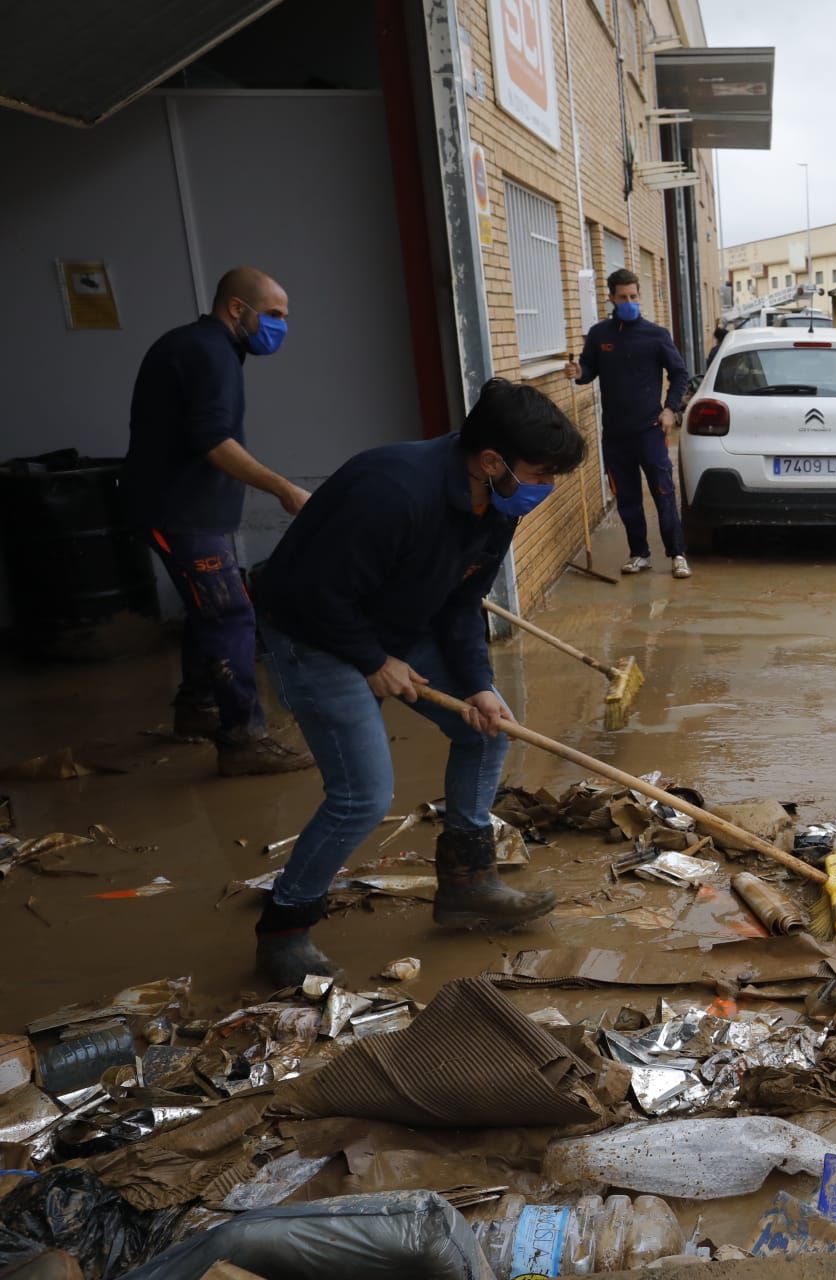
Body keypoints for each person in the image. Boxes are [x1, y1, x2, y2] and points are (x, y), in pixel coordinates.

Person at [248, 378, 586, 985]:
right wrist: (374, 660)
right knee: (362, 796)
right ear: (491, 460)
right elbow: (308, 592)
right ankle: (284, 928)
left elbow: (462, 603)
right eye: (540, 473)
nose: (546, 488)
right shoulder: (390, 489)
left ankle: (467, 882)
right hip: (311, 628)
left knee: (487, 727)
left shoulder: (496, 503)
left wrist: (478, 684)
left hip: (393, 621)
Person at [124, 266, 314, 776]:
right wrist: (285, 488)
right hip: (179, 512)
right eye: (273, 315)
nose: (281, 327)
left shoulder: (204, 348)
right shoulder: (208, 353)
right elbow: (213, 442)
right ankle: (241, 738)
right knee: (230, 615)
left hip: (188, 510)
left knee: (207, 609)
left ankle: (197, 708)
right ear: (236, 308)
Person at [565, 270, 692, 579]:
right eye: (623, 297)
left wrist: (669, 409)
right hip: (615, 434)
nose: (630, 302)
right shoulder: (599, 335)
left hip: (649, 429)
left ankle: (677, 554)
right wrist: (576, 372)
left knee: (663, 492)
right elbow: (588, 372)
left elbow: (680, 374)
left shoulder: (656, 335)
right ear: (611, 298)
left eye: (634, 297)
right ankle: (639, 554)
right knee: (627, 498)